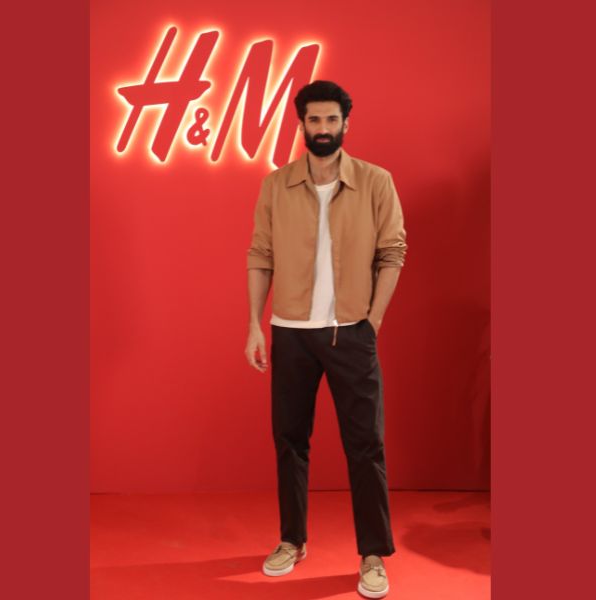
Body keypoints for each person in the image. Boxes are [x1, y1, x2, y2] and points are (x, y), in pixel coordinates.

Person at [244, 80, 407, 599]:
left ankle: (373, 554)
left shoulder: (376, 182)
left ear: (345, 124)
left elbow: (393, 253)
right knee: (289, 440)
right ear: (302, 125)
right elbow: (260, 255)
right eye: (313, 120)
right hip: (290, 332)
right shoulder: (276, 185)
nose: (322, 129)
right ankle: (291, 540)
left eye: (331, 120)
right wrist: (255, 324)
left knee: (366, 444)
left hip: (351, 332)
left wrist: (372, 321)